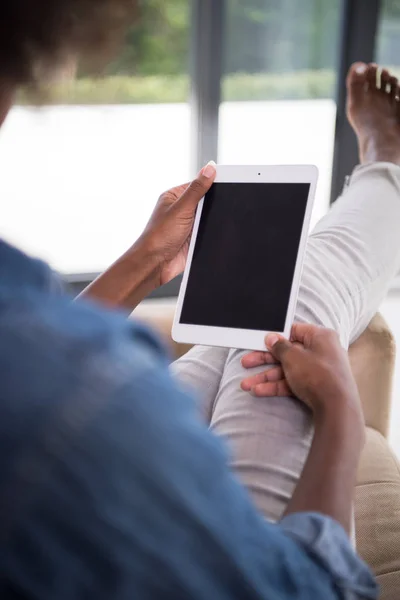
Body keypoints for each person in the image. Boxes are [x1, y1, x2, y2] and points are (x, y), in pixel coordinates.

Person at [0, 2, 396, 598]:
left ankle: (384, 169)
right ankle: (387, 164)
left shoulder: (68, 367)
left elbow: (32, 356)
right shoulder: (84, 396)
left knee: (238, 329)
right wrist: (340, 409)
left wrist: (147, 262)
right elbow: (304, 589)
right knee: (301, 296)